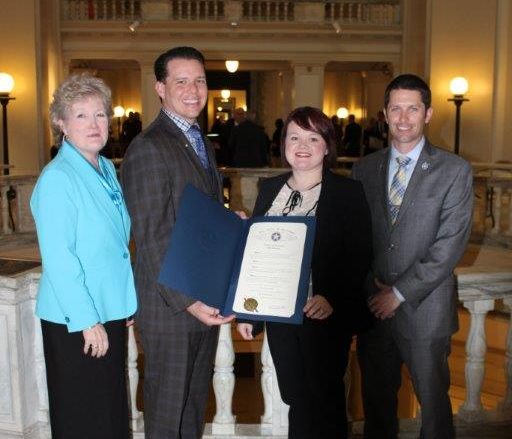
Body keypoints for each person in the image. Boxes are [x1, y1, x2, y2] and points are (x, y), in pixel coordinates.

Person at [237, 106, 373, 439]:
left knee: (324, 400)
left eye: (313, 138)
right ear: (283, 143)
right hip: (281, 316)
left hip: (321, 314)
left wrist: (333, 299)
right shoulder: (270, 190)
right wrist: (248, 312)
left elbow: (360, 254)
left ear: (327, 146)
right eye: (294, 136)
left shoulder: (347, 192)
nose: (302, 144)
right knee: (295, 398)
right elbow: (258, 256)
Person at [351, 74, 473, 439]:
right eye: (396, 109)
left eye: (413, 109)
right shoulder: (364, 169)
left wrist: (398, 293)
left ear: (429, 113)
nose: (404, 118)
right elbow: (355, 238)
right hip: (374, 311)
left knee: (434, 410)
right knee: (377, 408)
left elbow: (449, 244)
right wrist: (369, 286)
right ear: (384, 115)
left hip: (425, 312)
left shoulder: (454, 170)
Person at [121, 46, 233, 439]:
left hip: (200, 299)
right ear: (160, 88)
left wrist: (227, 223)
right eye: (180, 81)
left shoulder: (197, 139)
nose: (193, 89)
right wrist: (191, 302)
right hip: (172, 308)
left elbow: (193, 218)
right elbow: (151, 238)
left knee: (191, 410)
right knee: (169, 417)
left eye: (200, 80)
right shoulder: (149, 147)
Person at [30, 73, 137, 439]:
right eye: (81, 116)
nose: (94, 125)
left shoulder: (105, 168)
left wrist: (120, 304)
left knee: (109, 410)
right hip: (76, 320)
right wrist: (88, 320)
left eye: (101, 115)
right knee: (84, 416)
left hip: (107, 311)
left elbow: (112, 246)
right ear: (61, 123)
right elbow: (60, 259)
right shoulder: (58, 178)